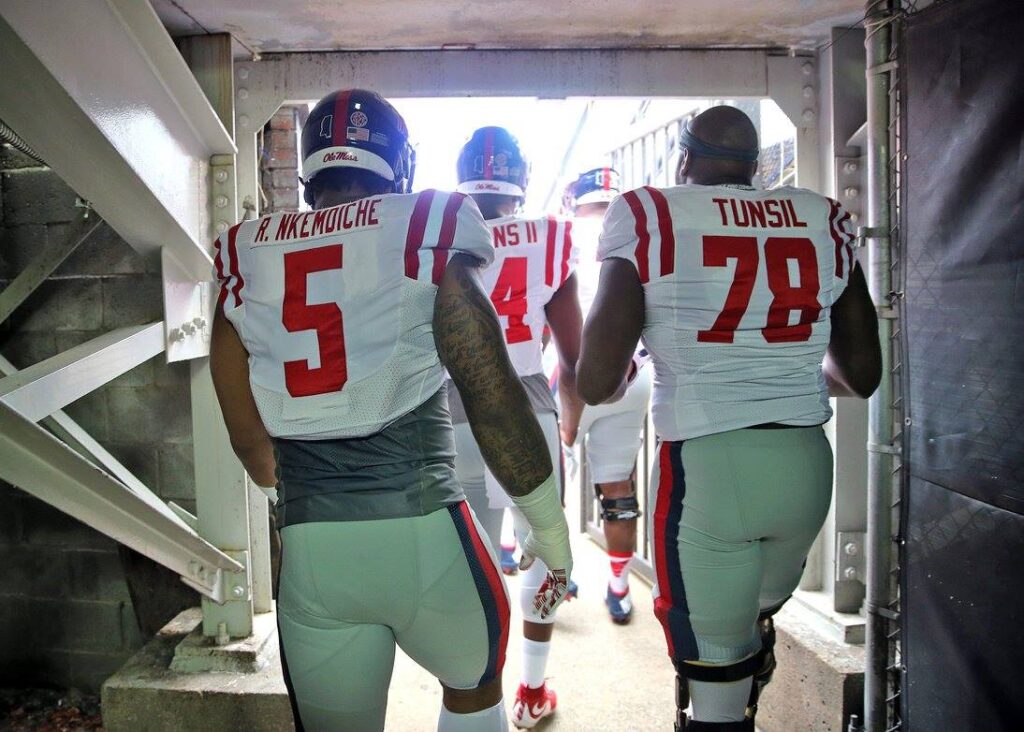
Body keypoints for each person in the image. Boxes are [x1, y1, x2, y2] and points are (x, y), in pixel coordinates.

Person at [208, 90, 572, 732]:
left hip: (314, 550)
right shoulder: (426, 224)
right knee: (473, 685)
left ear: (308, 174)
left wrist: (309, 490)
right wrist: (546, 521)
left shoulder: (247, 250)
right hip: (428, 530)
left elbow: (245, 433)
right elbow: (490, 389)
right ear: (400, 167)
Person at [577, 105, 881, 731]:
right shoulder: (820, 217)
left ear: (684, 159)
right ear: (755, 167)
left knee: (713, 683)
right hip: (802, 464)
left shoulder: (649, 215)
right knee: (753, 623)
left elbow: (597, 381)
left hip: (708, 469)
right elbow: (863, 374)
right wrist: (786, 378)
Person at [447, 126, 583, 729]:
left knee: (470, 560)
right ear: (520, 182)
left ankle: (475, 699)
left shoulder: (438, 238)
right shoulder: (551, 237)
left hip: (453, 406)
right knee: (544, 556)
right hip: (528, 402)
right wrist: (571, 420)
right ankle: (530, 689)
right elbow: (573, 351)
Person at [561, 167, 652, 625]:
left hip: (572, 376)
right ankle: (619, 588)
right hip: (632, 375)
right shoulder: (636, 237)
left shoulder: (562, 238)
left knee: (550, 482)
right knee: (618, 488)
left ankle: (555, 577)